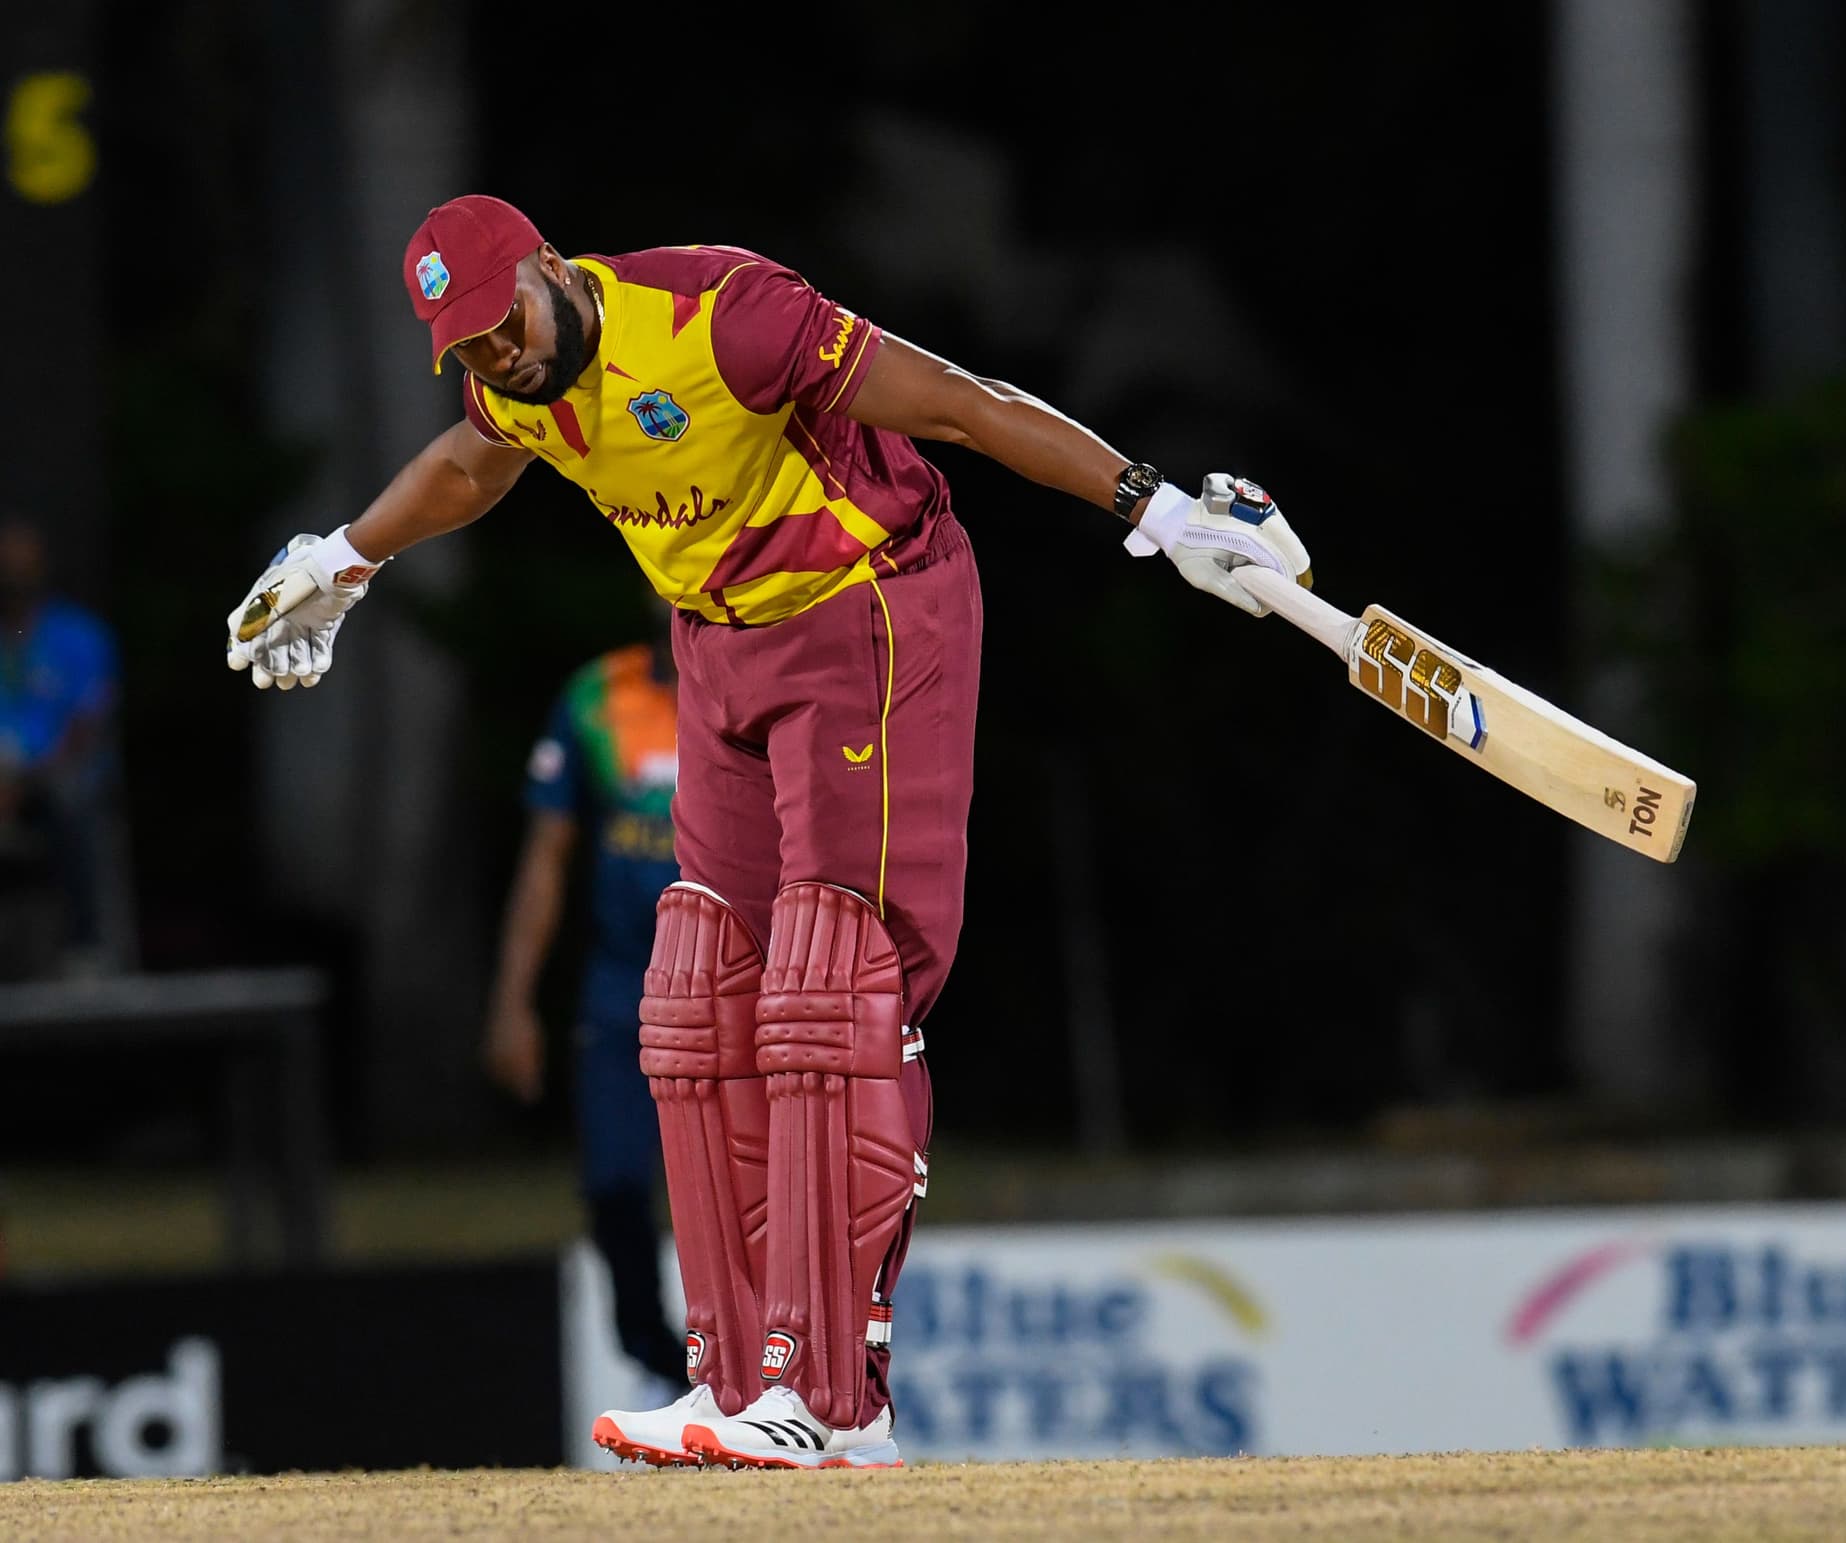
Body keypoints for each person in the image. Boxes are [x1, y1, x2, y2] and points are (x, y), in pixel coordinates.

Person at [223, 195, 1312, 1470]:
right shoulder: (515, 387)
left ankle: (838, 1400)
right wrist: (343, 557)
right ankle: (735, 1378)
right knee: (707, 997)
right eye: (464, 350)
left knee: (836, 991)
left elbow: (957, 400)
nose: (493, 358)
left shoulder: (718, 314)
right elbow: (470, 466)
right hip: (719, 650)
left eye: (497, 324)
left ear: (545, 267)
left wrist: (1155, 507)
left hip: (870, 615)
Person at [482, 637, 687, 1397]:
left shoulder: (756, 676)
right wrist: (512, 1001)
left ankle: (758, 1368)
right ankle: (659, 1360)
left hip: (736, 986)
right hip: (623, 990)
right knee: (612, 1183)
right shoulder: (596, 698)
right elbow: (546, 856)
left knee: (744, 1190)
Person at [1, 513, 126, 979]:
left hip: (55, 776)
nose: (11, 578)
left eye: (21, 566)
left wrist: (24, 780)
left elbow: (86, 726)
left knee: (71, 800)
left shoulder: (80, 636)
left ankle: (84, 949)